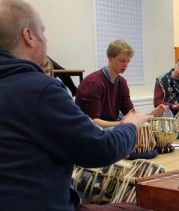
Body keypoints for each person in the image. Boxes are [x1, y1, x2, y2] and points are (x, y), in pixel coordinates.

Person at [0, 1, 151, 211]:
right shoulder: (41, 90)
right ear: (29, 36)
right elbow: (101, 150)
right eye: (42, 31)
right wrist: (130, 126)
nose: (45, 38)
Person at [75, 39, 166, 129]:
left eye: (128, 61)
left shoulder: (122, 83)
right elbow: (94, 121)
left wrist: (151, 115)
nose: (126, 65)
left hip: (108, 130)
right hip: (88, 132)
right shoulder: (94, 83)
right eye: (122, 61)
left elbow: (131, 113)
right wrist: (120, 123)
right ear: (110, 58)